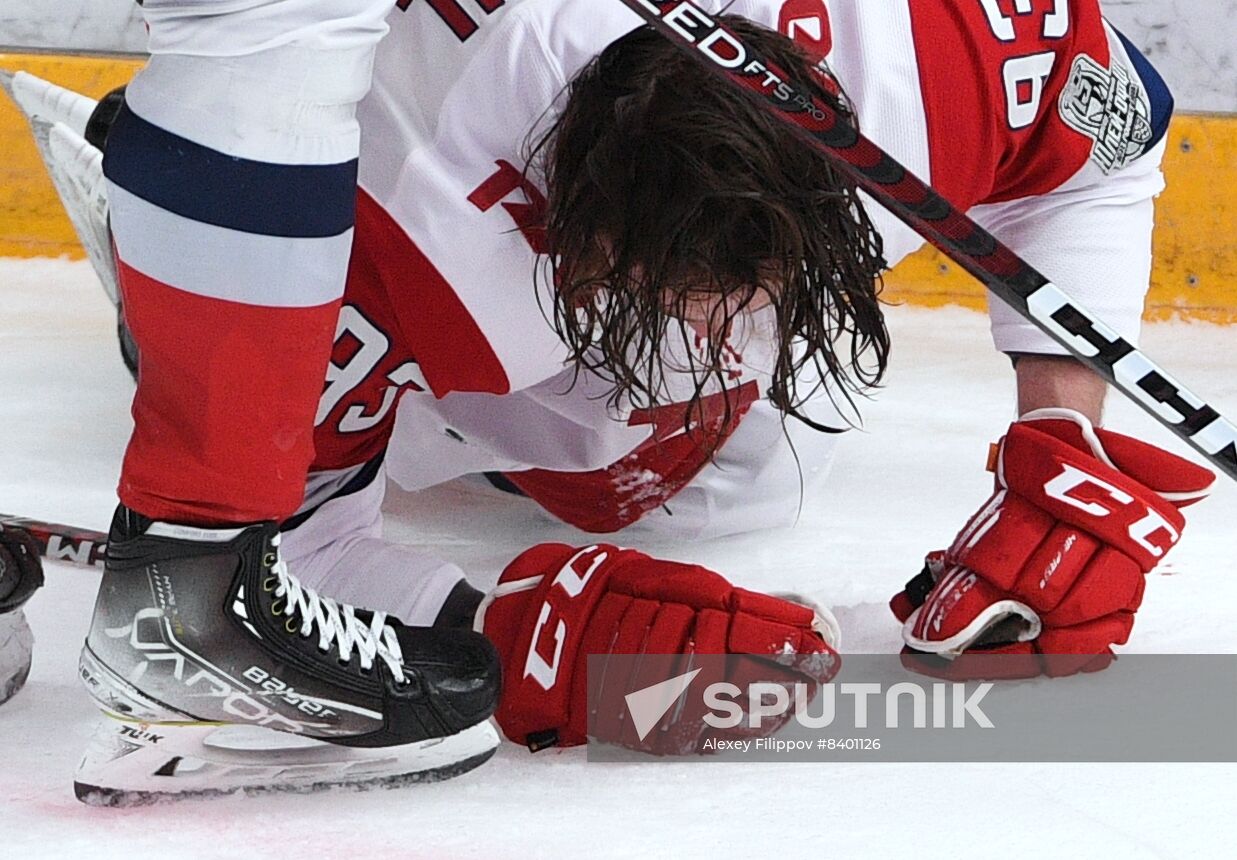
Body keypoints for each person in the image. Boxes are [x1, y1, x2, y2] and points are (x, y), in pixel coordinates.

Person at [13, 0, 1215, 797]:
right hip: (388, 224)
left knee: (736, 488)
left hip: (536, 275)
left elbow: (1106, 154)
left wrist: (1062, 426)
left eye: (763, 287)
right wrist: (519, 625)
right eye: (681, 298)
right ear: (556, 228)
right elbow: (297, 560)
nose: (731, 342)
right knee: (273, 379)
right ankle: (145, 244)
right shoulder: (392, 235)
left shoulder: (947, 50)